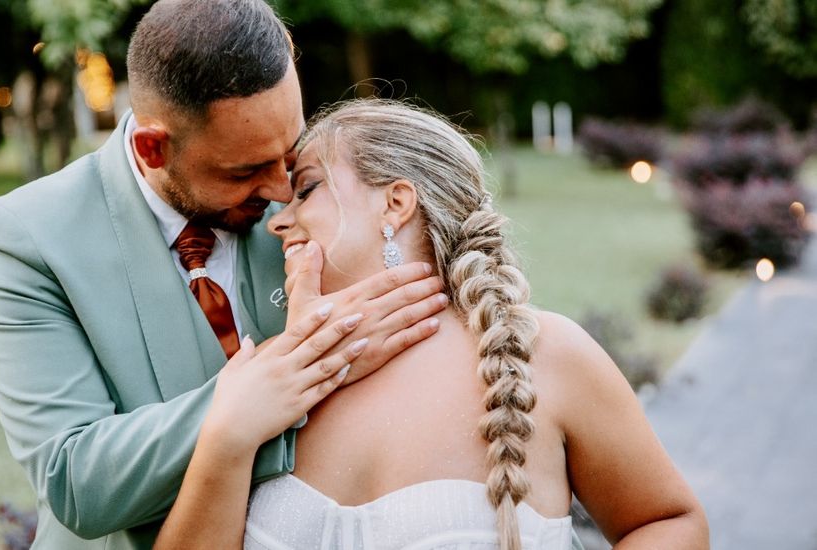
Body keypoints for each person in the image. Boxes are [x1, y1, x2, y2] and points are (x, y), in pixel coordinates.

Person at [0, 2, 447, 548]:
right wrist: (297, 370)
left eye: (288, 156)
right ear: (153, 147)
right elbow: (78, 483)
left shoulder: (310, 204)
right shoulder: (27, 239)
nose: (280, 192)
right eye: (244, 171)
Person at [153, 99, 710, 550]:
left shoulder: (541, 354)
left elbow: (670, 522)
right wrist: (228, 435)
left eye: (307, 189)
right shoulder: (270, 376)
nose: (280, 220)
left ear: (395, 203)